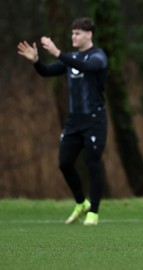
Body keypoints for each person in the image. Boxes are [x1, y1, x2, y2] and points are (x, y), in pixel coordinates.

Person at [17, 17, 108, 226]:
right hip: (73, 122)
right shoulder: (71, 57)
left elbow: (90, 67)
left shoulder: (98, 56)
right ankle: (81, 203)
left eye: (77, 33)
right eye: (72, 33)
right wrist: (36, 61)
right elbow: (47, 72)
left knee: (93, 163)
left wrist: (58, 53)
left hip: (94, 120)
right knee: (64, 163)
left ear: (89, 34)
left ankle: (93, 212)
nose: (73, 36)